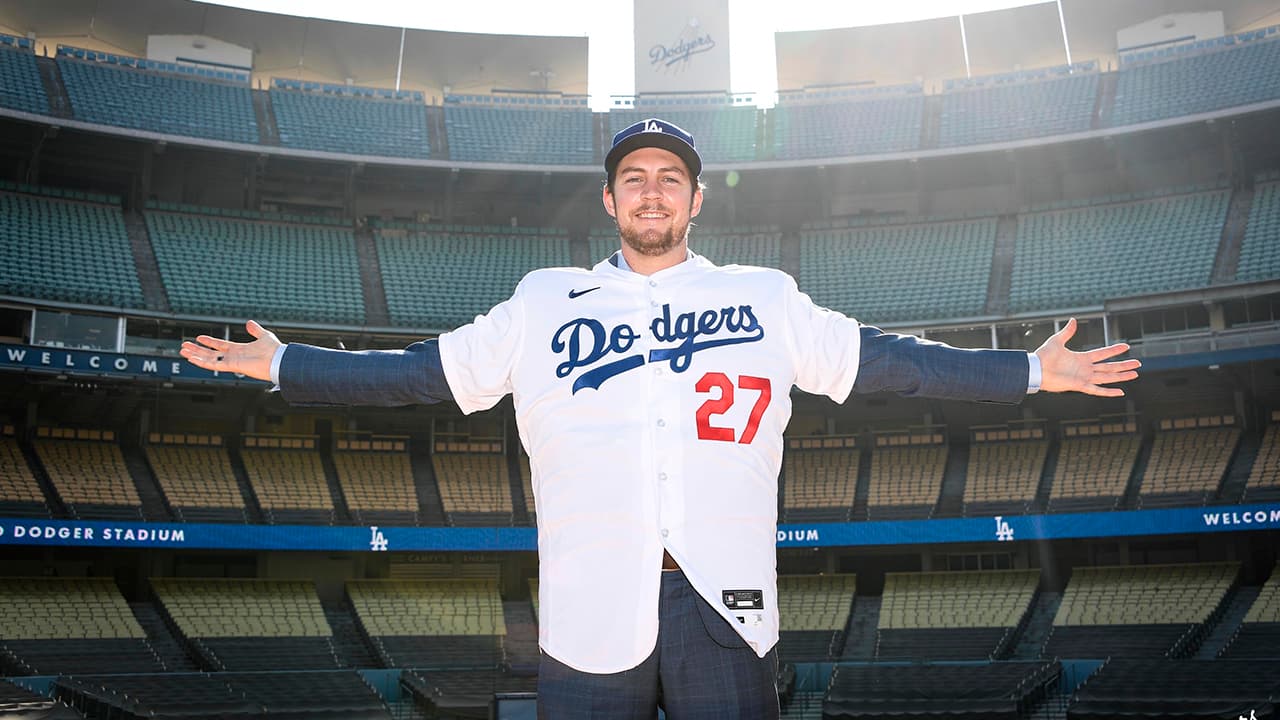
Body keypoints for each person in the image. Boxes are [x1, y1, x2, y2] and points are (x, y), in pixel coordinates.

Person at [181, 118, 1140, 719]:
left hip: (724, 600)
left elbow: (888, 363)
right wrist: (287, 366)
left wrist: (1027, 370)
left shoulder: (764, 295)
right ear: (609, 199)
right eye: (634, 176)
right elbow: (417, 375)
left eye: (670, 177)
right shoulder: (544, 299)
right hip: (590, 602)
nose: (651, 188)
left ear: (695, 200)